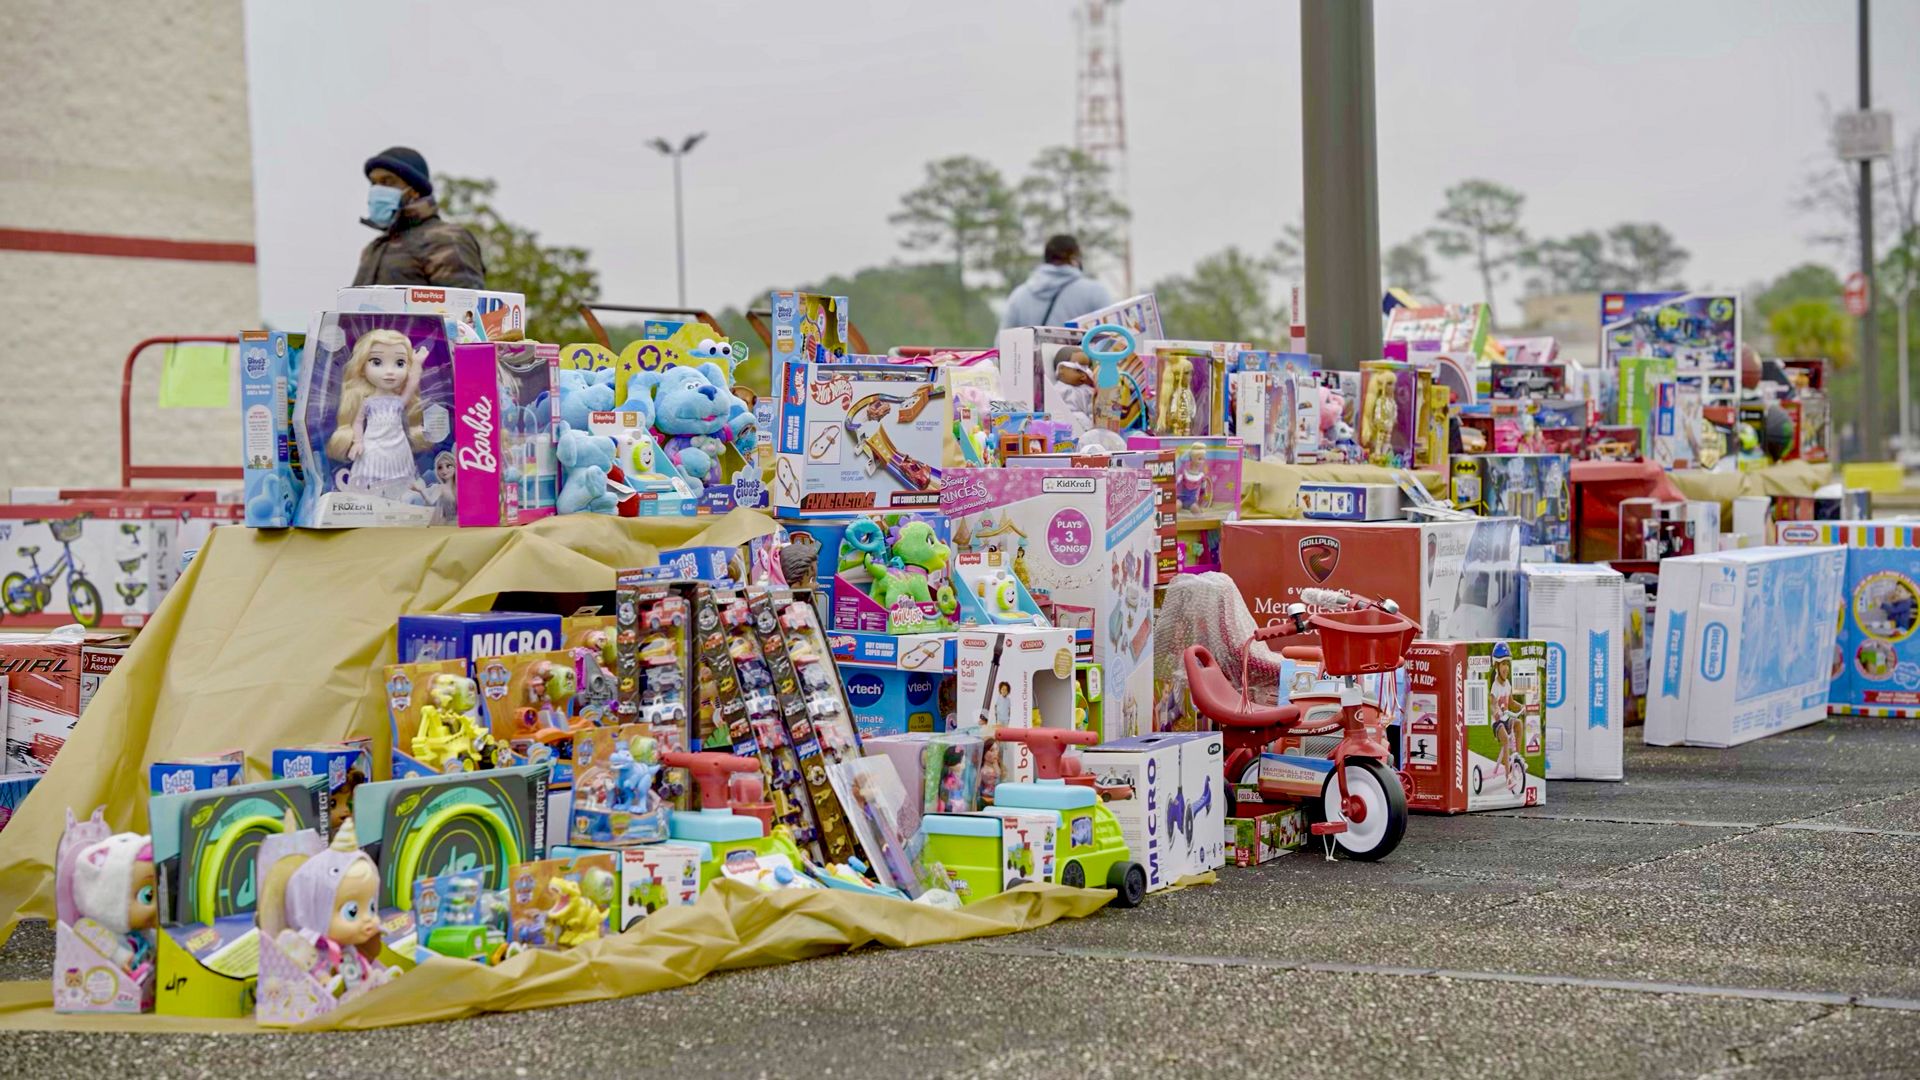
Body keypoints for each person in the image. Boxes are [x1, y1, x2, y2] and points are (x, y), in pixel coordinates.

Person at [352, 146, 486, 289]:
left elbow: (465, 307)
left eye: (387, 181)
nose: (377, 189)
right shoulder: (374, 248)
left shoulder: (446, 239)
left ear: (414, 190)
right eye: (374, 183)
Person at [999, 234, 1113, 329]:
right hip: (1081, 356)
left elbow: (1002, 344)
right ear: (1075, 259)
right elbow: (1114, 336)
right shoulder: (1095, 292)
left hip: (1030, 356)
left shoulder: (1019, 296)